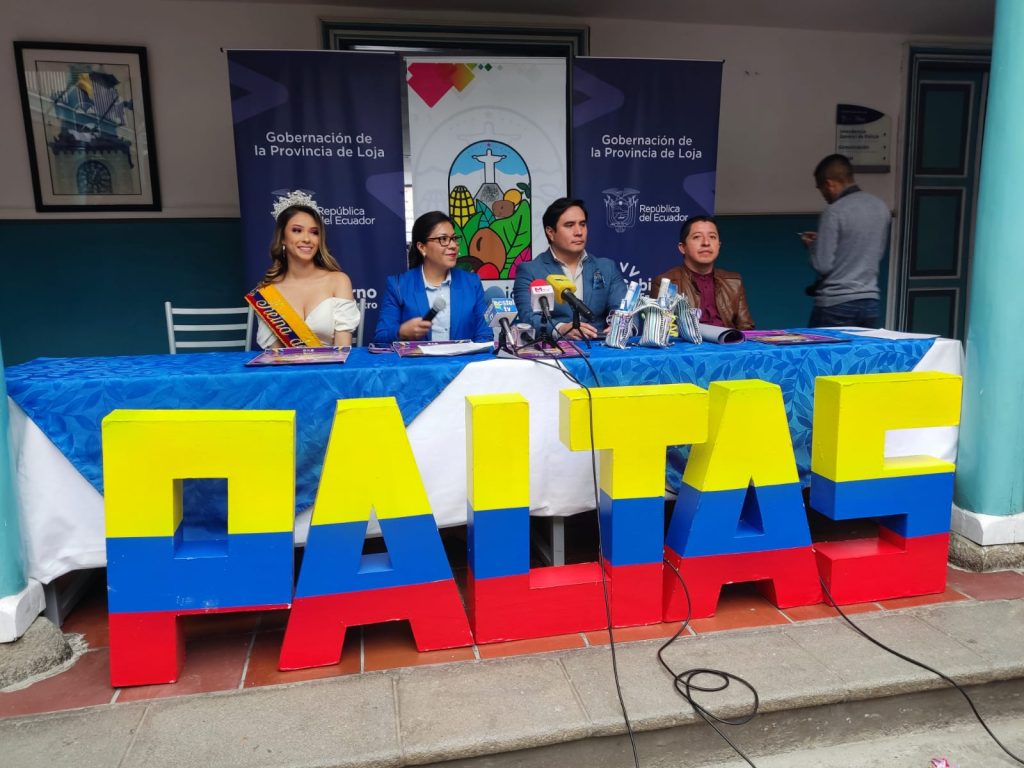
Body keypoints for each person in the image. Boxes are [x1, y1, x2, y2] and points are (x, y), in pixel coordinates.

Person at [248, 196, 360, 348]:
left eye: (314, 232)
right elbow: (274, 355)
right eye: (297, 230)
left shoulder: (338, 281)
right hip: (286, 370)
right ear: (282, 238)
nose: (307, 239)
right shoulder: (267, 293)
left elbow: (343, 348)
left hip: (330, 369)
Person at [512, 197, 626, 339]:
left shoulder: (606, 267)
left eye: (582, 224)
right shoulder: (530, 271)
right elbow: (528, 318)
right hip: (558, 352)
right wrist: (560, 329)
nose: (578, 232)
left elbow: (625, 309)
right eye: (569, 225)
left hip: (601, 349)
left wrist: (621, 325)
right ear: (551, 232)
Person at [373, 211, 492, 344]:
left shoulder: (472, 282)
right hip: (418, 364)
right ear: (422, 247)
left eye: (454, 238)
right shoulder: (398, 285)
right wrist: (401, 332)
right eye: (443, 239)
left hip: (462, 363)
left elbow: (485, 335)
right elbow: (380, 338)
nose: (453, 245)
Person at [801, 154, 891, 328]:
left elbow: (823, 265)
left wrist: (812, 246)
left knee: (825, 355)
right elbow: (872, 253)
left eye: (821, 189)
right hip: (870, 301)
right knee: (862, 355)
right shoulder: (880, 206)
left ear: (829, 184)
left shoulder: (834, 211)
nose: (823, 195)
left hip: (835, 303)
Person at [650, 216, 754, 330]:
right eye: (697, 237)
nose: (706, 242)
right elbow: (662, 331)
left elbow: (746, 328)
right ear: (682, 247)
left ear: (718, 246)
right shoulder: (665, 283)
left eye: (712, 237)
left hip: (728, 345)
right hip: (687, 347)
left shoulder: (734, 282)